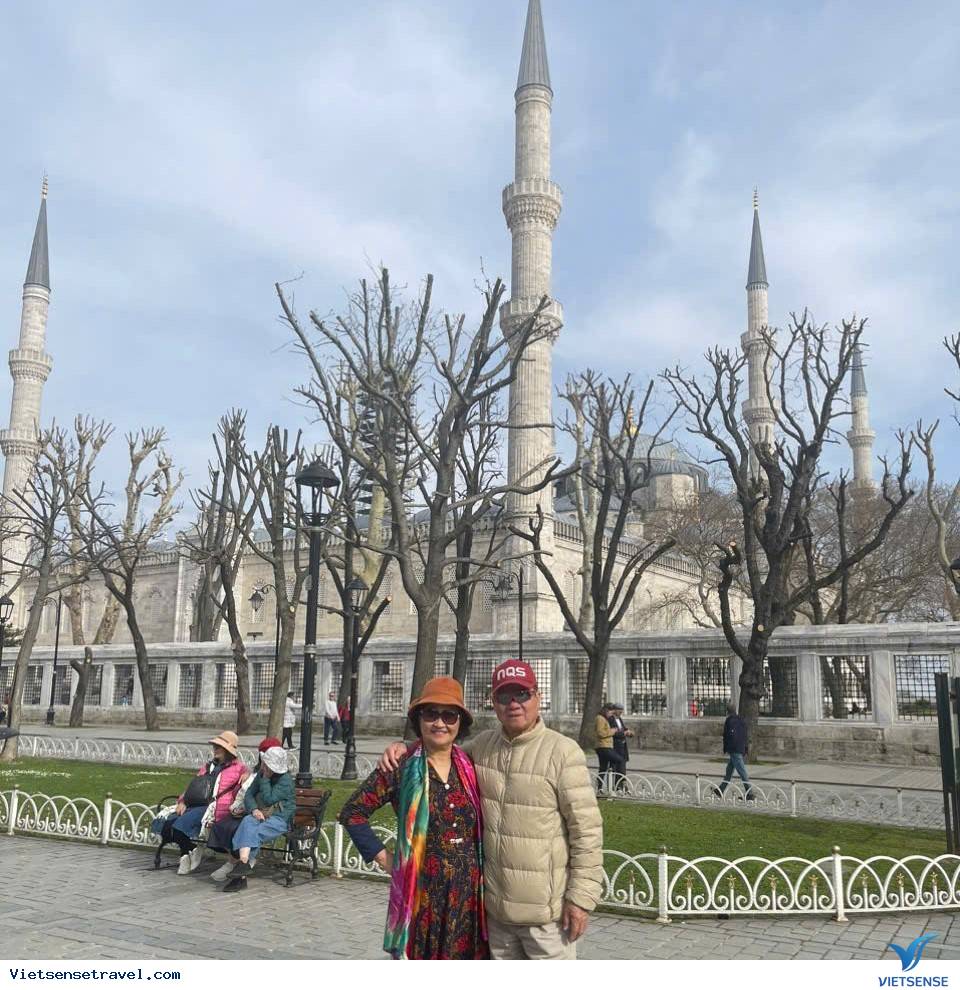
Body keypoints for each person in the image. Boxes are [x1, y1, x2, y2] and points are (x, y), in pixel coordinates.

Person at [380, 659, 603, 960]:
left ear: (538, 697)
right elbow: (440, 747)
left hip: (547, 920)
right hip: (496, 918)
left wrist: (581, 899)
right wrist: (404, 747)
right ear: (493, 703)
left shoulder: (562, 752)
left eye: (522, 694)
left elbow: (587, 832)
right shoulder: (483, 747)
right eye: (503, 696)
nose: (513, 703)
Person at [339, 677, 487, 959]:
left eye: (449, 715)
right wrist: (387, 859)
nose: (440, 723)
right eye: (431, 713)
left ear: (460, 722)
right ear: (418, 719)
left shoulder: (469, 764)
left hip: (469, 898)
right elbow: (352, 813)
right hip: (422, 898)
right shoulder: (401, 767)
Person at [157, 731, 247, 875]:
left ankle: (190, 852)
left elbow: (246, 788)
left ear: (227, 750)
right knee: (169, 823)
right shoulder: (208, 766)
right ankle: (188, 853)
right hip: (197, 804)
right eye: (215, 746)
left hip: (215, 809)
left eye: (219, 746)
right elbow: (194, 787)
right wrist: (182, 801)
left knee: (179, 826)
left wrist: (246, 776)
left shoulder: (239, 769)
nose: (215, 749)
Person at [207, 736, 281, 882]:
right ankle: (233, 861)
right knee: (222, 826)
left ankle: (243, 861)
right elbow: (243, 794)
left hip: (264, 815)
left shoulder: (278, 777)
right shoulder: (255, 775)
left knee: (246, 828)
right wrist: (235, 808)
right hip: (246, 812)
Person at [223, 745, 296, 892]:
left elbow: (269, 799)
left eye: (266, 764)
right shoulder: (262, 774)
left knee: (253, 833)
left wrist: (265, 779)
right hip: (261, 813)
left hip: (279, 819)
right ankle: (243, 866)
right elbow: (249, 794)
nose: (263, 766)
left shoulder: (285, 780)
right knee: (247, 821)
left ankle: (240, 875)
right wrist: (254, 809)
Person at [718, 700, 753, 800]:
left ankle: (749, 793)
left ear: (727, 711)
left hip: (734, 749)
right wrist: (745, 748)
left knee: (742, 772)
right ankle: (720, 789)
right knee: (729, 771)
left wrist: (727, 748)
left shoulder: (729, 721)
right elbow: (745, 735)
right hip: (740, 748)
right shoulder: (740, 720)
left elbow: (727, 736)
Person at [594, 703, 625, 795]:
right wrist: (612, 731)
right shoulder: (600, 718)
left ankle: (601, 788)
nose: (611, 715)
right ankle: (615, 785)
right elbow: (601, 733)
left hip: (605, 746)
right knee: (619, 760)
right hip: (603, 746)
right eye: (611, 713)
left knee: (603, 767)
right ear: (606, 710)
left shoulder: (604, 719)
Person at [608, 703, 633, 792]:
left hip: (622, 746)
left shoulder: (619, 719)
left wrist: (628, 732)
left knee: (622, 766)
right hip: (615, 746)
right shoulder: (611, 719)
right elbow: (612, 732)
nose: (621, 712)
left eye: (622, 710)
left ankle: (622, 785)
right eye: (619, 710)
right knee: (615, 767)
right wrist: (623, 733)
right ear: (615, 710)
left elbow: (622, 728)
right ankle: (615, 786)